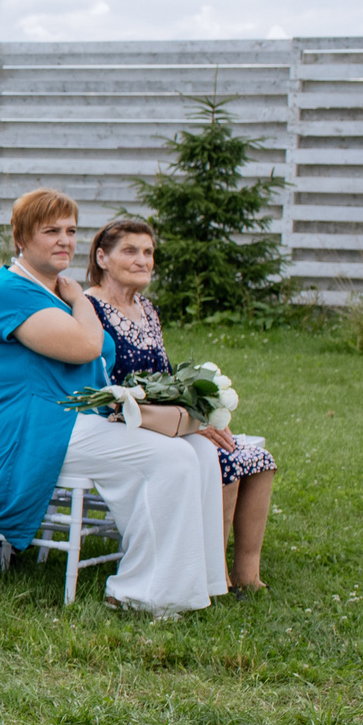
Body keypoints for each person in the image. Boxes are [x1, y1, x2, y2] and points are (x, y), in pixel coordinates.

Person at [0, 191, 226, 615]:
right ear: (20, 237)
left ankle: (200, 583)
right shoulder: (12, 292)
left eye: (70, 231)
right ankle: (138, 591)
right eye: (51, 231)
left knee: (200, 451)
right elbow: (89, 346)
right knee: (171, 458)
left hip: (71, 420)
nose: (64, 240)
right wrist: (82, 300)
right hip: (32, 431)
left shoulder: (51, 291)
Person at [86, 216, 278, 590]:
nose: (143, 260)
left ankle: (247, 574)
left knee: (255, 458)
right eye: (130, 251)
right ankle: (213, 571)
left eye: (148, 252)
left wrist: (202, 412)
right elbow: (104, 384)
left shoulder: (148, 309)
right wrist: (188, 423)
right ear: (102, 257)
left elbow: (166, 375)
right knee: (223, 457)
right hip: (127, 420)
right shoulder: (89, 308)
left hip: (169, 416)